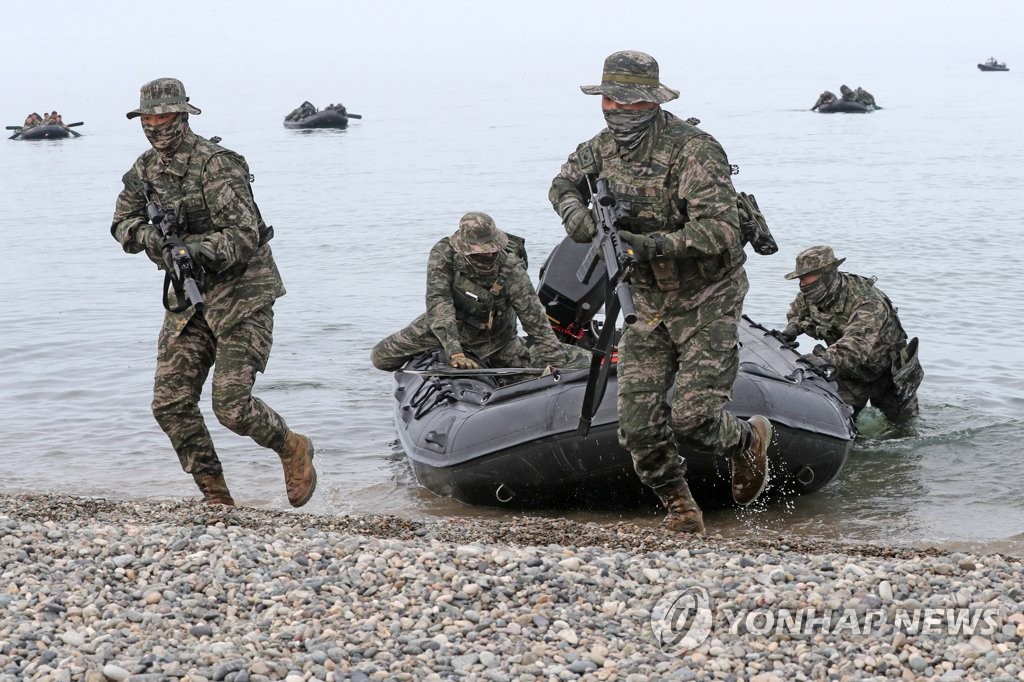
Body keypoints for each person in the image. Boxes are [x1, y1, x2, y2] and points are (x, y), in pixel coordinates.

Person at [548, 50, 772, 534]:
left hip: (706, 296)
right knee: (638, 424)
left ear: (649, 102)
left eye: (627, 101)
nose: (616, 109)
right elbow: (563, 182)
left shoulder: (694, 151)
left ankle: (747, 442)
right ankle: (680, 507)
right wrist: (575, 216)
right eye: (609, 99)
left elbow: (721, 231)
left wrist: (650, 245)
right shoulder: (600, 148)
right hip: (646, 301)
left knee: (692, 417)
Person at [110, 77, 316, 508]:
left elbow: (245, 235)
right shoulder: (144, 170)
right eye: (147, 117)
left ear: (183, 116)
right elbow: (121, 225)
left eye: (163, 116)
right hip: (188, 301)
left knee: (232, 407)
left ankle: (292, 446)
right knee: (170, 404)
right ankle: (217, 498)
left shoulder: (216, 165)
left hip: (243, 296)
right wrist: (154, 240)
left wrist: (194, 249)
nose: (155, 124)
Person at [371, 212, 588, 372]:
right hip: (446, 331)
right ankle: (435, 361)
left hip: (497, 340)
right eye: (478, 254)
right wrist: (454, 350)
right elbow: (439, 303)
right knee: (381, 357)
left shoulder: (510, 267)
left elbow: (535, 318)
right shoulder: (444, 254)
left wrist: (556, 365)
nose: (485, 257)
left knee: (561, 361)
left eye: (490, 252)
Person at [777, 245, 922, 424]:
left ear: (827, 275)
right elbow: (798, 311)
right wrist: (791, 330)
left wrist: (822, 359)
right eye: (800, 279)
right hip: (850, 373)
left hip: (888, 374)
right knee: (841, 424)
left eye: (807, 278)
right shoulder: (812, 294)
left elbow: (857, 345)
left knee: (903, 430)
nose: (803, 285)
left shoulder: (867, 301)